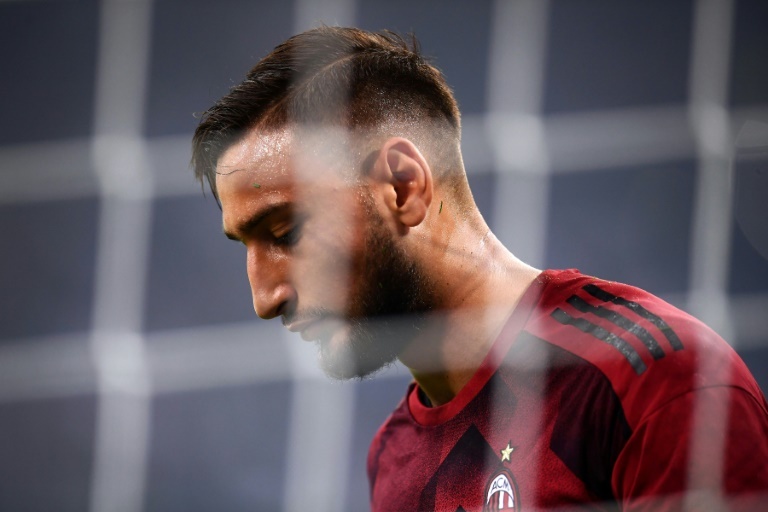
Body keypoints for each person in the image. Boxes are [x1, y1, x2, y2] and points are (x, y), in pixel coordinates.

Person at [191, 26, 768, 512]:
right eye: (243, 245)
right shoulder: (391, 459)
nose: (264, 298)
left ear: (402, 186)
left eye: (286, 232)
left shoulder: (656, 381)